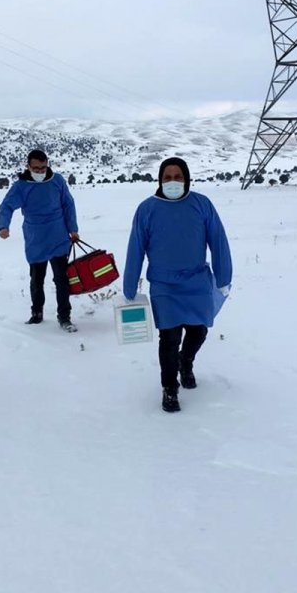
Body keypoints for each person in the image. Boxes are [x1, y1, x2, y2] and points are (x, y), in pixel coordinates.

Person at [123, 157, 233, 413]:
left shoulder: (202, 205)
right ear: (160, 180)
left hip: (197, 282)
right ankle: (170, 388)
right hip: (164, 285)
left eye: (178, 177)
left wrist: (223, 277)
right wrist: (129, 286)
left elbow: (218, 240)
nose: (173, 182)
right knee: (169, 337)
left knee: (199, 331)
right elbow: (136, 248)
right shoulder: (147, 209)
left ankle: (186, 361)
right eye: (168, 177)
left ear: (187, 179)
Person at [0, 149, 81, 332]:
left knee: (61, 279)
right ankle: (37, 313)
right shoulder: (21, 187)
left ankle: (64, 317)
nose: (40, 172)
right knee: (36, 279)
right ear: (28, 166)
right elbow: (6, 206)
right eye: (36, 168)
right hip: (36, 239)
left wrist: (73, 229)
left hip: (58, 236)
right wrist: (3, 226)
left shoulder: (57, 181)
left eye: (43, 168)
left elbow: (68, 204)